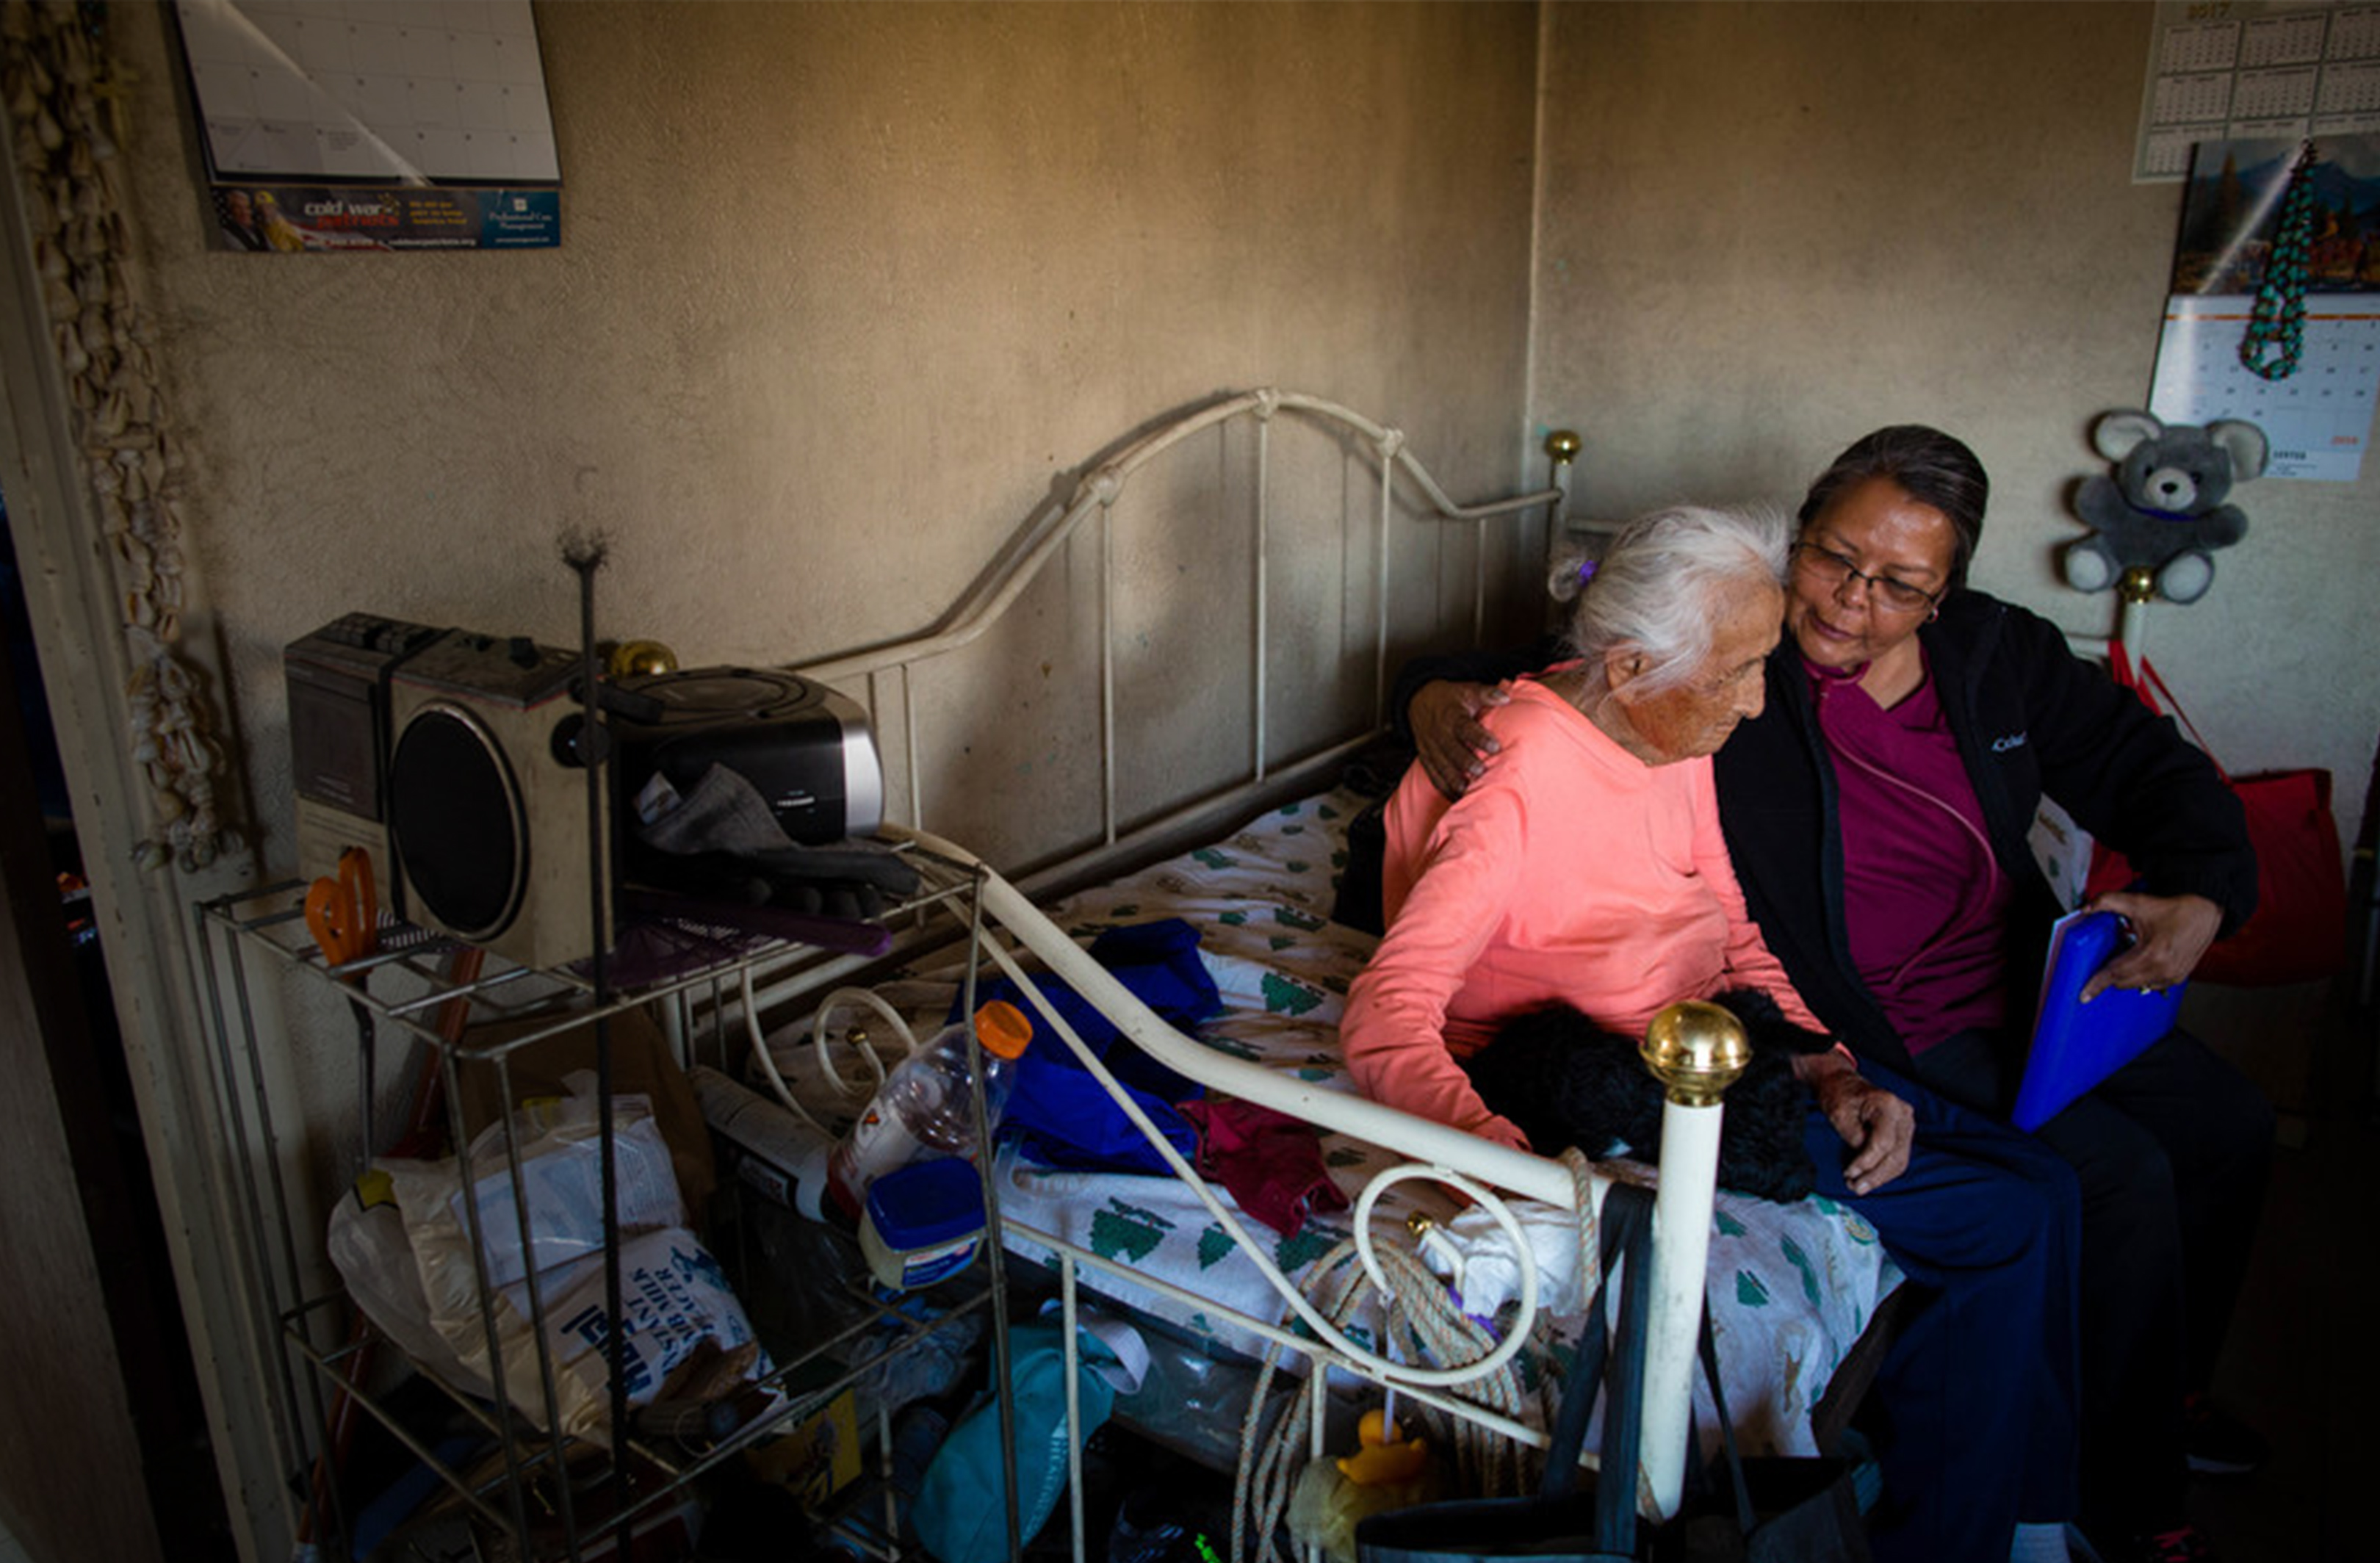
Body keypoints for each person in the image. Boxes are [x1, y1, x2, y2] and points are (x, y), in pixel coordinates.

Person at [1398, 427, 2270, 1563]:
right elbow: (1574, 667)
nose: (1850, 603)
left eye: (1900, 585)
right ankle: (2121, 1486)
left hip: (2025, 981)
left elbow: (2144, 766)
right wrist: (1428, 698)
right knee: (2109, 1177)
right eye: (1832, 559)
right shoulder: (1729, 658)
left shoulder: (1996, 655)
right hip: (1881, 1010)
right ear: (1800, 535)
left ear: (1946, 592)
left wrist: (2201, 892)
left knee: (2229, 1127)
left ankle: (2154, 1388)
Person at [1344, 504, 2081, 1563]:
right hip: (1612, 1071)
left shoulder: (1663, 730)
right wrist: (1526, 1180)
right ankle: (1967, 1540)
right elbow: (1386, 1016)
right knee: (2000, 1218)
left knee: (2045, 1181)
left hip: (1722, 1037)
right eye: (1737, 672)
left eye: (1761, 663)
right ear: (1634, 663)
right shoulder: (1517, 777)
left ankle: (2020, 1513)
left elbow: (1733, 925)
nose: (1755, 701)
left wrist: (1827, 1060)